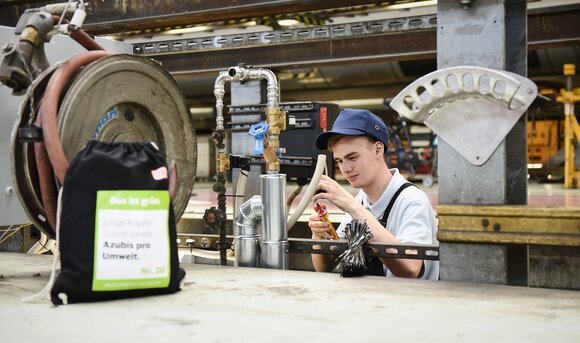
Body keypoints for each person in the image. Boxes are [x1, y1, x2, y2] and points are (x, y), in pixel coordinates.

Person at [309, 108, 439, 280]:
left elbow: (410, 269)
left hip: (409, 303)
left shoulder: (412, 201)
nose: (345, 169)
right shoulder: (361, 201)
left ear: (378, 150)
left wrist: (353, 208)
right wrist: (319, 234)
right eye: (340, 161)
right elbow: (324, 267)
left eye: (353, 157)